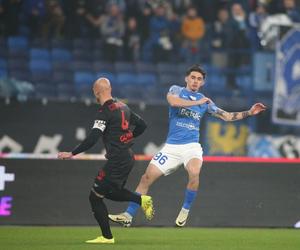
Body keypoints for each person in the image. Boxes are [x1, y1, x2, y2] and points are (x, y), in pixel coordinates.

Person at [109, 64, 267, 227]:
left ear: (202, 83)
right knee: (146, 178)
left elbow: (226, 116)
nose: (195, 81)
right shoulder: (177, 90)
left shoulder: (205, 102)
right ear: (186, 78)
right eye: (193, 77)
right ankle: (128, 215)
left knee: (193, 171)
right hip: (171, 148)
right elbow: (173, 101)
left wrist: (249, 112)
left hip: (191, 147)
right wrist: (198, 101)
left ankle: (185, 210)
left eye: (199, 79)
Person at [57, 77, 154, 244]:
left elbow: (93, 137)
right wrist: (128, 136)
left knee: (95, 197)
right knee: (110, 192)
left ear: (96, 92)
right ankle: (141, 200)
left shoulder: (104, 112)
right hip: (127, 156)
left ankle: (107, 237)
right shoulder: (123, 106)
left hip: (118, 159)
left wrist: (72, 153)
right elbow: (143, 125)